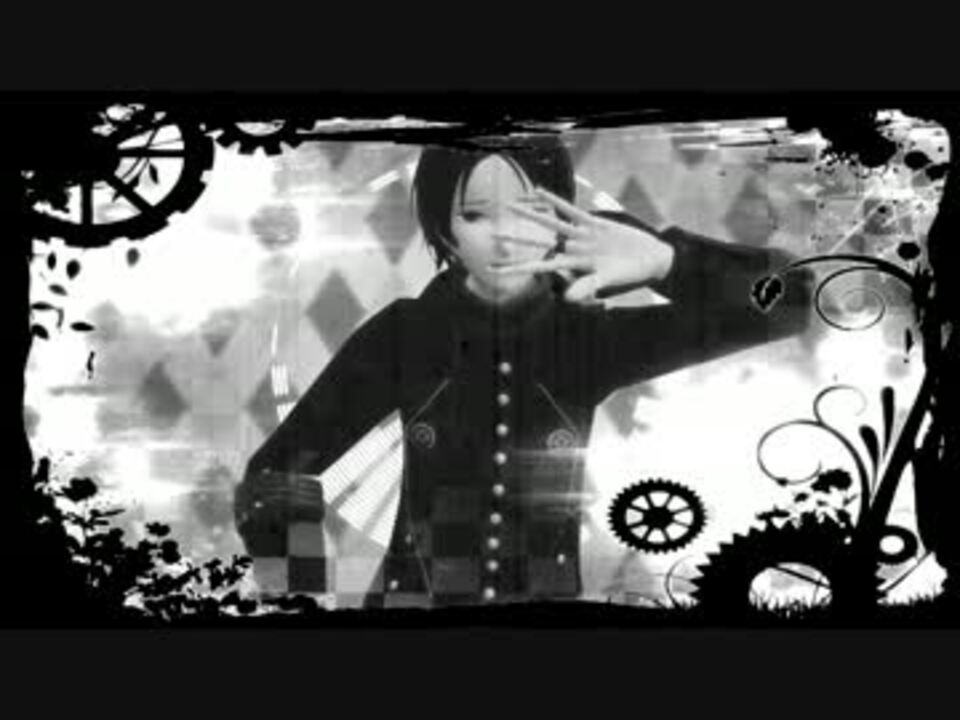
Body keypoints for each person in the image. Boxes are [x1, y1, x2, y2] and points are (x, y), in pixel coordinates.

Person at [234, 134, 814, 609]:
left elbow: (790, 304)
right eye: (475, 214)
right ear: (445, 228)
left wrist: (667, 261)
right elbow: (271, 479)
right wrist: (300, 596)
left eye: (530, 211)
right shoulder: (408, 334)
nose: (505, 236)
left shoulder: (586, 339)